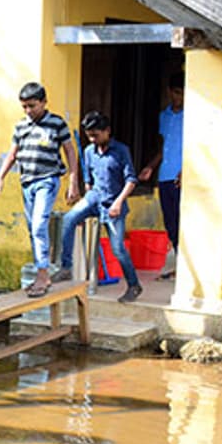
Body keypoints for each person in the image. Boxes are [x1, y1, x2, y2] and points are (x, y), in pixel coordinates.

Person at [0, 82, 82, 297]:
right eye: (24, 107)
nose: (28, 111)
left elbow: (70, 152)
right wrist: (0, 178)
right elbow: (13, 153)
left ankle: (43, 274)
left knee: (40, 223)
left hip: (47, 180)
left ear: (43, 102)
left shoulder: (56, 123)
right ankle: (41, 270)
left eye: (32, 106)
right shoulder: (21, 126)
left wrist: (73, 181)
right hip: (27, 182)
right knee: (33, 228)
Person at [52, 112, 142, 303]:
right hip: (94, 197)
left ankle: (134, 285)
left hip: (113, 202)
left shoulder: (121, 150)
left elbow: (131, 180)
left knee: (118, 249)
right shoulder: (88, 151)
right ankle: (66, 267)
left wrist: (118, 202)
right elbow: (89, 182)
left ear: (107, 131)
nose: (93, 139)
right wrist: (80, 200)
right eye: (89, 136)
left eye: (96, 135)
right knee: (69, 218)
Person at [138, 72, 185, 280]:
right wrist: (150, 166)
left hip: (183, 178)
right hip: (165, 175)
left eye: (183, 94)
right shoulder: (164, 116)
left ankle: (187, 269)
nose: (179, 98)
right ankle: (180, 266)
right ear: (169, 92)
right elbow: (163, 147)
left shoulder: (194, 115)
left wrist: (188, 170)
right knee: (171, 223)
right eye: (176, 93)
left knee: (186, 223)